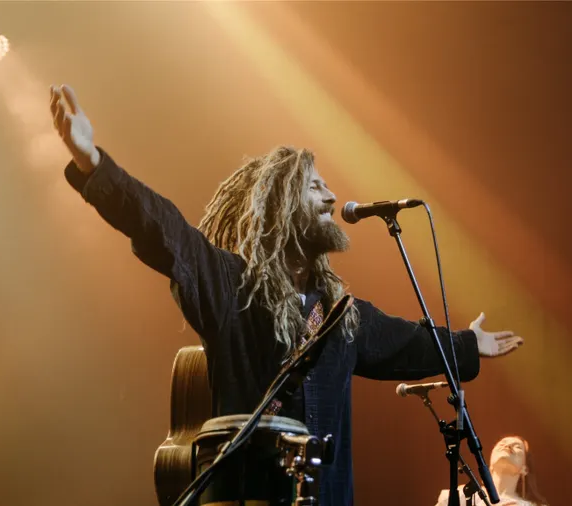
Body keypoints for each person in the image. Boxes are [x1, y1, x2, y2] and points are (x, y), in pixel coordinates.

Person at [49, 84, 524, 506]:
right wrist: (94, 166)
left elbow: (408, 343)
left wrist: (467, 344)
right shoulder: (231, 286)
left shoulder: (343, 315)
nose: (332, 197)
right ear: (281, 204)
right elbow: (165, 230)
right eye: (315, 187)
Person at [434, 436, 547, 506]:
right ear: (490, 464)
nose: (507, 446)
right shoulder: (461, 496)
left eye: (517, 446)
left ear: (525, 469)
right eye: (502, 444)